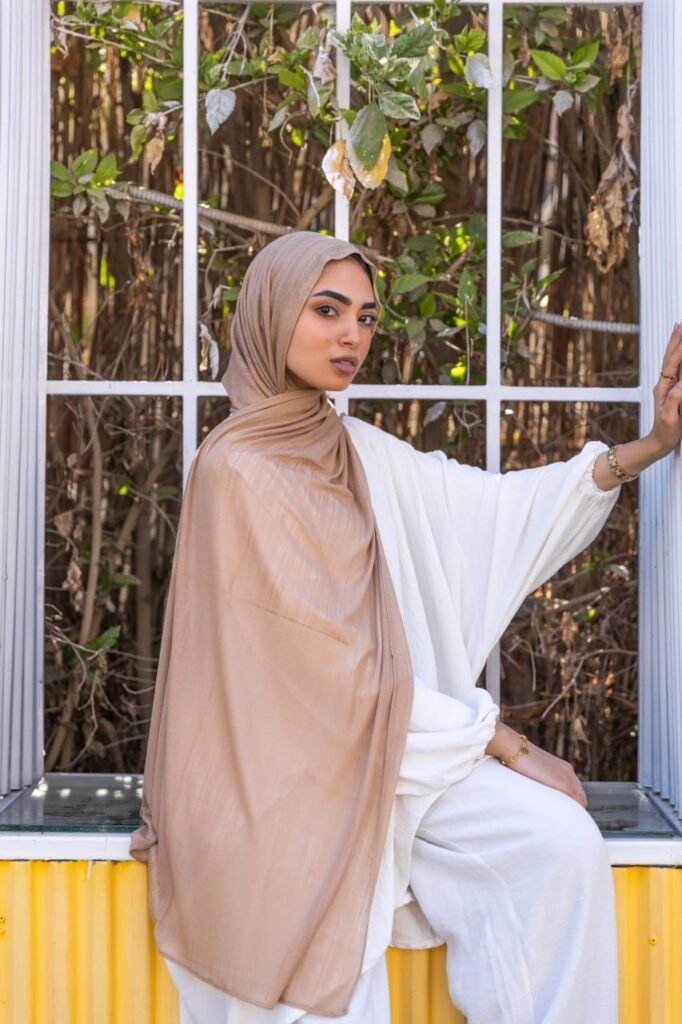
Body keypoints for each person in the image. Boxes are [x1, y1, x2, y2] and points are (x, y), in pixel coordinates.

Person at [129, 231, 682, 1024]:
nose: (351, 336)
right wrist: (507, 743)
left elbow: (489, 511)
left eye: (365, 317)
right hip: (281, 780)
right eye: (327, 311)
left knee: (555, 842)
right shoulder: (236, 468)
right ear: (270, 313)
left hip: (392, 753)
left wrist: (651, 446)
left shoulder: (348, 445)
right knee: (312, 948)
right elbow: (331, 672)